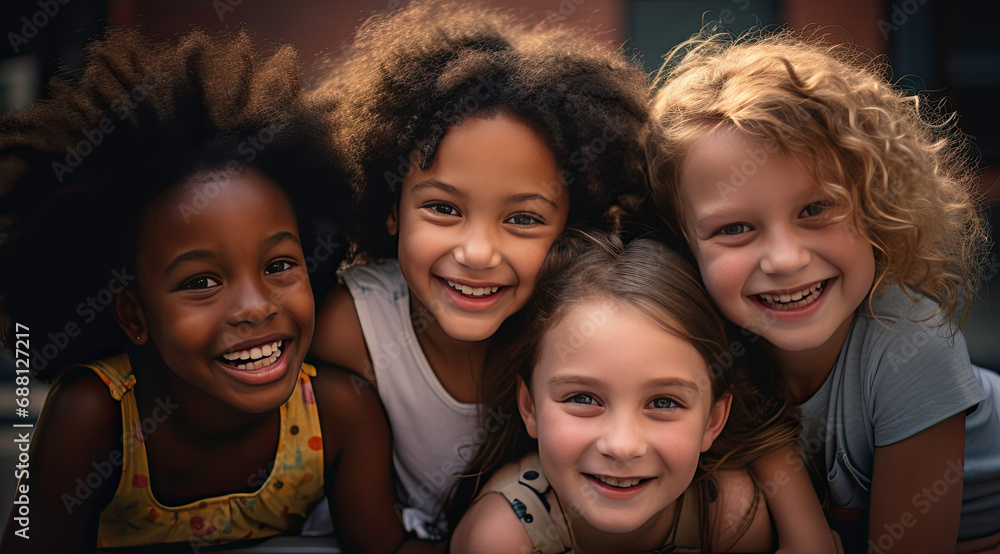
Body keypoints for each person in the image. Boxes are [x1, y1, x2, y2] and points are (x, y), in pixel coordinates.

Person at [0, 27, 411, 553]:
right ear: (134, 316)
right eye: (201, 282)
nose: (255, 306)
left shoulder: (339, 412)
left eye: (280, 264)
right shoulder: (94, 416)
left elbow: (384, 549)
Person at [306, 0, 651, 539]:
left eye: (522, 218)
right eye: (444, 209)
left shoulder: (583, 332)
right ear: (391, 211)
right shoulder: (351, 329)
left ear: (569, 227)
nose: (478, 252)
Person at [649, 28, 1000, 553]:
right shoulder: (702, 340)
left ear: (875, 206)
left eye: (815, 210)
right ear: (681, 243)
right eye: (734, 229)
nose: (786, 259)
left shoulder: (912, 348)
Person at [449, 229, 828, 552]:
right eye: (583, 399)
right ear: (529, 406)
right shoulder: (503, 538)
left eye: (663, 402)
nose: (622, 445)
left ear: (714, 420)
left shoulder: (729, 518)